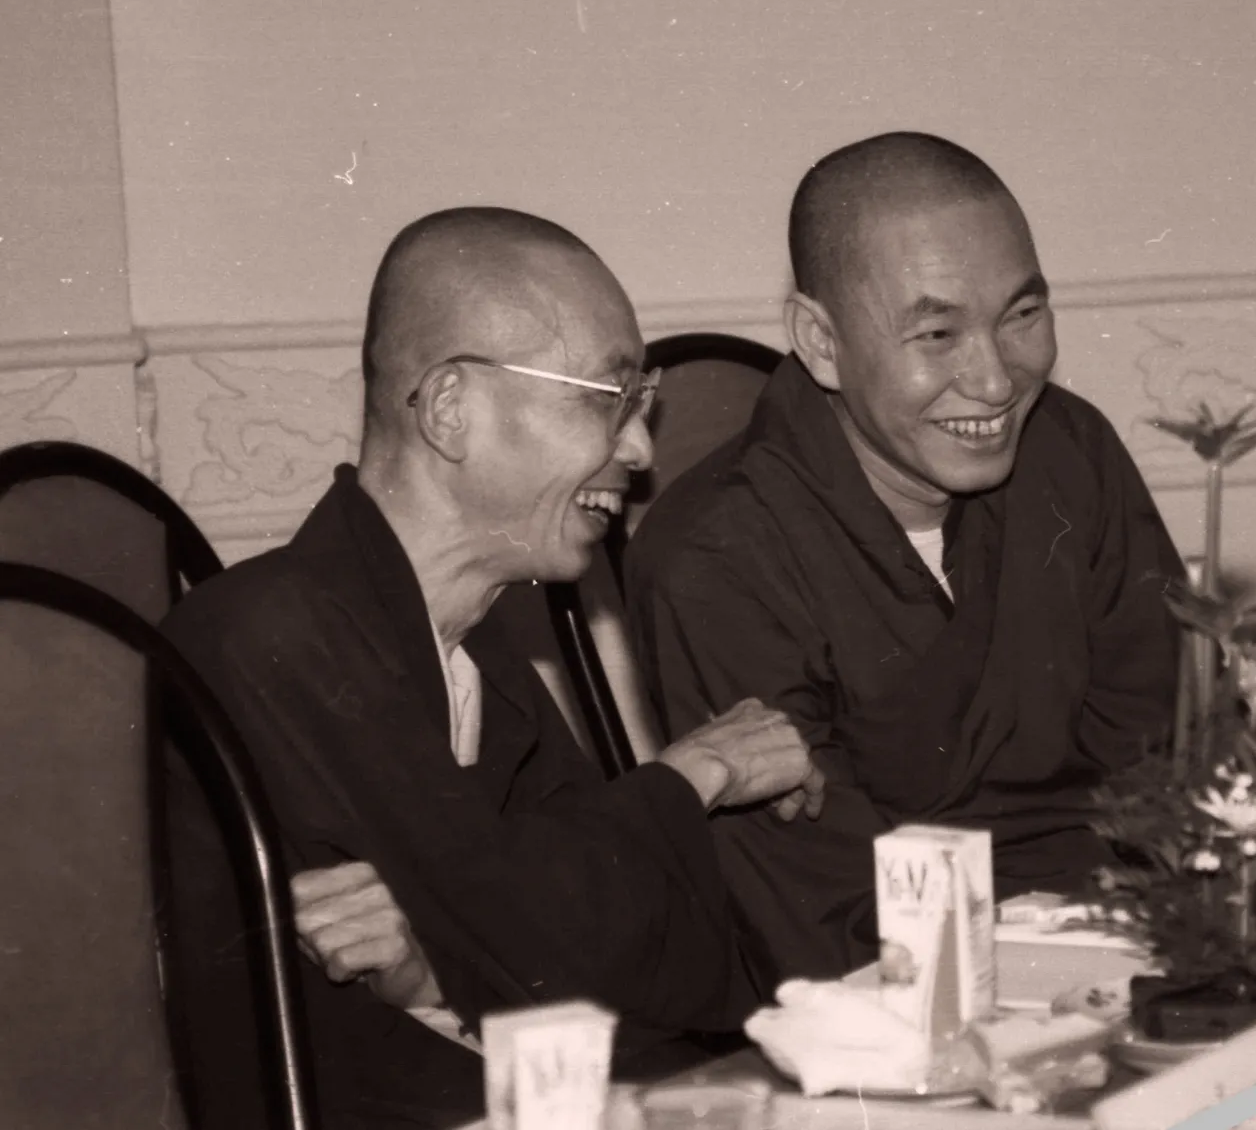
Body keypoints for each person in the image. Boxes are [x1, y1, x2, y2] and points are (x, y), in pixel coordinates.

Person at [160, 207, 823, 1130]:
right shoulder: (266, 633)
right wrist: (697, 771)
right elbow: (513, 930)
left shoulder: (470, 635)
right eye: (605, 397)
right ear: (449, 410)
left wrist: (440, 957)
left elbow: (567, 935)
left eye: (640, 402)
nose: (639, 449)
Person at [626, 132, 1183, 982]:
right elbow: (821, 907)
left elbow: (1171, 755)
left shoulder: (1071, 453)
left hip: (1133, 941)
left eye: (1022, 316)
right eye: (937, 333)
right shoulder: (714, 557)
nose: (995, 381)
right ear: (820, 341)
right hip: (902, 993)